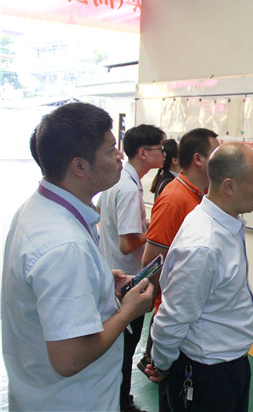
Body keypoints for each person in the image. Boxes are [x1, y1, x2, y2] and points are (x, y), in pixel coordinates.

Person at [2, 102, 154, 411]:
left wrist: (98, 283)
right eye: (110, 149)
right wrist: (127, 312)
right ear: (79, 166)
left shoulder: (40, 210)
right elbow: (69, 359)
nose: (120, 156)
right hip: (73, 401)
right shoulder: (64, 245)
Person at [146, 143, 253, 411]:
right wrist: (162, 363)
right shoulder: (204, 244)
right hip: (207, 373)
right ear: (229, 186)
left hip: (230, 365)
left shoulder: (224, 225)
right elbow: (173, 316)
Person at [137, 128, 218, 401]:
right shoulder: (175, 198)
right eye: (215, 154)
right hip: (174, 314)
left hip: (189, 318)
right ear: (198, 159)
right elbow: (152, 262)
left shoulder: (199, 195)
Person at [97, 123, 165, 412]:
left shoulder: (121, 181)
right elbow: (127, 243)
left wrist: (143, 226)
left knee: (120, 350)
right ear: (143, 152)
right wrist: (154, 232)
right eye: (160, 149)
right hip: (125, 282)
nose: (164, 154)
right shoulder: (127, 188)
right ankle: (122, 403)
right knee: (125, 350)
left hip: (114, 275)